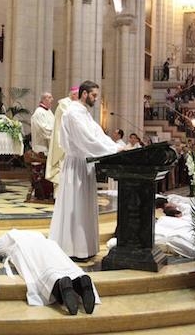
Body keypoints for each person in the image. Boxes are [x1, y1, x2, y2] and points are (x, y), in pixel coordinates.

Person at [49, 81, 120, 260]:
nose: (96, 99)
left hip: (85, 164)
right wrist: (114, 150)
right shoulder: (73, 114)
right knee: (75, 205)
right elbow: (86, 140)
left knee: (83, 206)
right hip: (76, 165)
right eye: (94, 95)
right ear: (84, 94)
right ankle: (71, 247)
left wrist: (117, 147)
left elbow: (98, 135)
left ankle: (84, 247)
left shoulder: (84, 114)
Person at [0, 229, 98, 315]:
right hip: (49, 245)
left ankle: (58, 285)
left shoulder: (10, 234)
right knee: (63, 264)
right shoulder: (37, 233)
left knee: (39, 271)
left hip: (25, 248)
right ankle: (80, 280)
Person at [45, 86, 78, 191]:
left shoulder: (72, 104)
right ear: (73, 94)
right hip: (63, 141)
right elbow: (72, 120)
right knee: (62, 167)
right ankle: (59, 195)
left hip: (70, 142)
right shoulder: (65, 104)